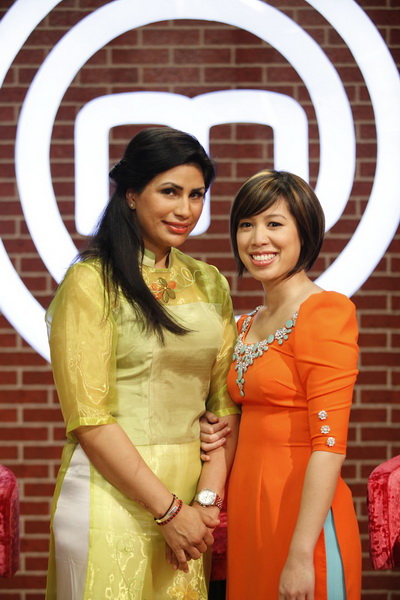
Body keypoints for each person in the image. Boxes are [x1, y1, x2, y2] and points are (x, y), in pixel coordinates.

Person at [45, 126, 240, 600]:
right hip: (108, 498)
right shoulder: (91, 282)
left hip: (191, 507)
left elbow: (224, 407)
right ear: (131, 194)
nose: (185, 209)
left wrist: (206, 505)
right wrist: (169, 511)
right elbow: (90, 419)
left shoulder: (210, 282)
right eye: (169, 191)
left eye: (196, 194)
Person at [201, 170, 361, 600]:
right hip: (249, 519)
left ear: (304, 231)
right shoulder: (244, 324)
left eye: (274, 223)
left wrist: (300, 554)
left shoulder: (326, 312)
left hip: (303, 523)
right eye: (246, 225)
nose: (258, 239)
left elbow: (330, 446)